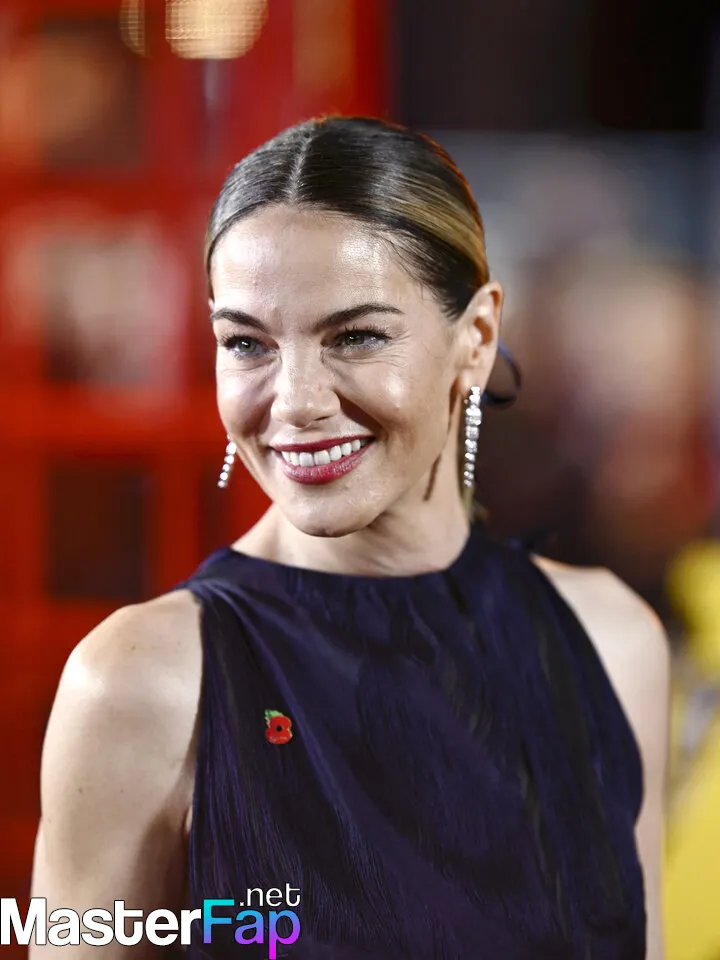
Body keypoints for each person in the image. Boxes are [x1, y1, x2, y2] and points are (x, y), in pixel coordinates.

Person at [30, 116, 670, 959]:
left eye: (357, 336)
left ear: (476, 340)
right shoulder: (142, 682)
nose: (295, 400)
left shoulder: (611, 641)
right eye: (247, 344)